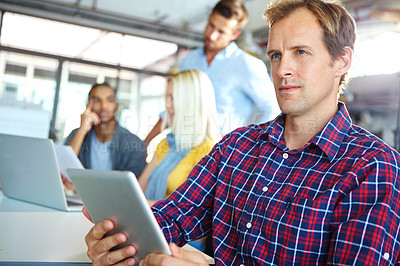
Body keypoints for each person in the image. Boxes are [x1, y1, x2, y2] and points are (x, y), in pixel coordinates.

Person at [84, 0, 400, 265]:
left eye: (300, 52)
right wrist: (121, 239)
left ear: (341, 61)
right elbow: (176, 213)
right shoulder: (237, 146)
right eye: (276, 55)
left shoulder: (373, 167)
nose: (282, 70)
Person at [144, 0, 280, 145]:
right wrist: (145, 142)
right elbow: (174, 106)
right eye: (211, 25)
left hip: (220, 153)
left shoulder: (247, 65)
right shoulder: (189, 60)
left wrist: (243, 145)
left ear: (235, 34)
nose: (212, 35)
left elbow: (272, 109)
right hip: (181, 145)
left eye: (221, 32)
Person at [138, 69, 219, 205]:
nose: (167, 105)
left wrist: (139, 205)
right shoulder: (166, 143)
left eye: (173, 98)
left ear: (192, 102)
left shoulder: (209, 151)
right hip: (150, 219)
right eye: (167, 98)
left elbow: (189, 208)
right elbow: (139, 190)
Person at [65, 82, 146, 178]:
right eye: (97, 100)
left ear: (117, 105)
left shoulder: (134, 144)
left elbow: (136, 186)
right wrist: (82, 130)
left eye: (109, 100)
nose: (103, 106)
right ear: (88, 106)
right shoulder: (77, 135)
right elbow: (64, 169)